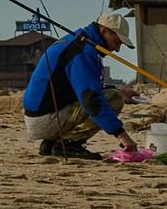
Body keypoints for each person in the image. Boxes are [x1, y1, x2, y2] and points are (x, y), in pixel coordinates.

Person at [22, 11, 140, 160]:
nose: (117, 49)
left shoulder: (78, 41)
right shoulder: (82, 52)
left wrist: (120, 91)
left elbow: (84, 86)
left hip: (38, 116)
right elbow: (91, 99)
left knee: (116, 94)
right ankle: (67, 144)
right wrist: (123, 136)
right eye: (116, 42)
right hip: (45, 120)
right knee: (114, 99)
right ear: (104, 30)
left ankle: (51, 144)